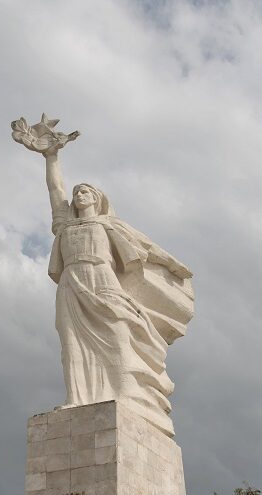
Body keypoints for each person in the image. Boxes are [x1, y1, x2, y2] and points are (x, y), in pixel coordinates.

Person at [41, 145, 194, 437]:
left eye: (85, 192)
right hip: (72, 282)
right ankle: (76, 398)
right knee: (72, 341)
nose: (78, 195)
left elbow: (148, 249)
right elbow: (55, 189)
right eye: (76, 193)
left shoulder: (109, 224)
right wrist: (51, 156)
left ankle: (129, 394)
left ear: (97, 199)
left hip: (102, 278)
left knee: (118, 334)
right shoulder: (64, 226)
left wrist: (175, 265)